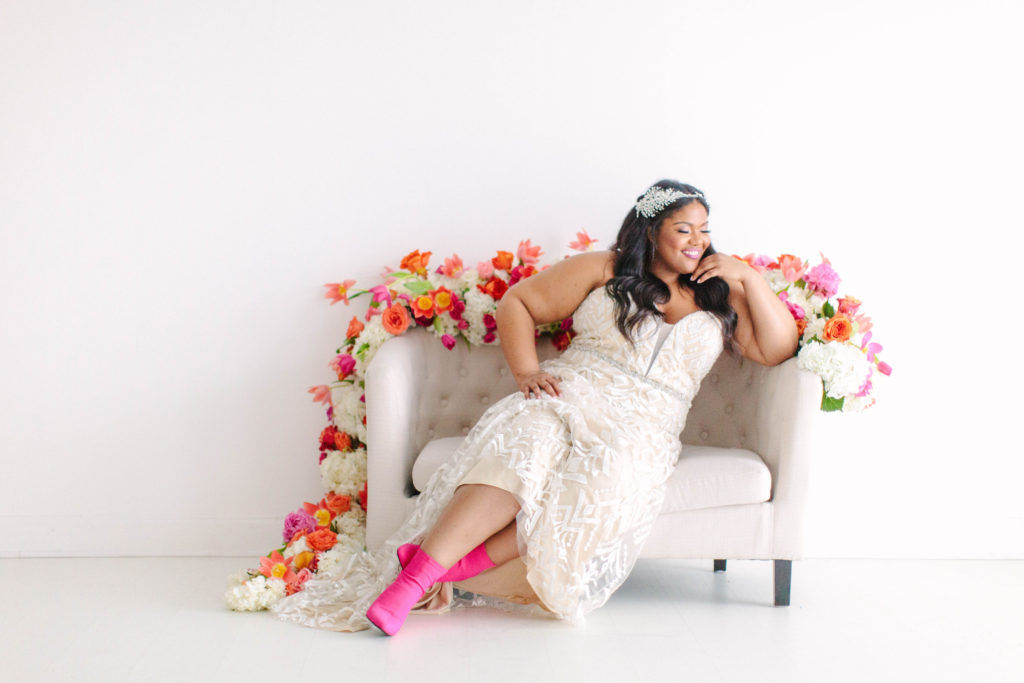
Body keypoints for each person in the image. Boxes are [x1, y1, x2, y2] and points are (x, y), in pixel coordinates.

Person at [272, 180, 799, 635]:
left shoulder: (716, 295)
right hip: (574, 390)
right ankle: (408, 584)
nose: (698, 241)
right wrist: (527, 373)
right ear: (651, 230)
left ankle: (430, 573)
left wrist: (749, 278)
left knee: (600, 482)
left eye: (704, 229)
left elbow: (777, 348)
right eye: (684, 229)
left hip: (644, 426)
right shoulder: (605, 268)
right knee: (528, 439)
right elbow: (519, 302)